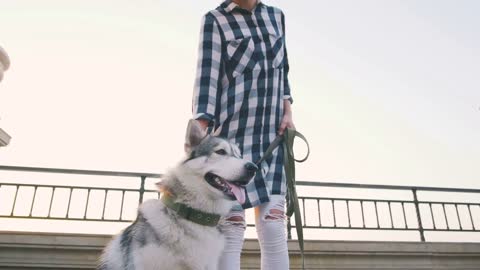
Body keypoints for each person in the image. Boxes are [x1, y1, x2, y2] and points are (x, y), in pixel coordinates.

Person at [191, 0, 294, 269]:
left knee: (273, 226)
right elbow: (207, 77)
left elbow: (284, 71)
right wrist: (200, 132)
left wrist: (288, 112)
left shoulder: (276, 16)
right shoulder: (215, 20)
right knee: (232, 228)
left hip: (271, 136)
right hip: (231, 141)